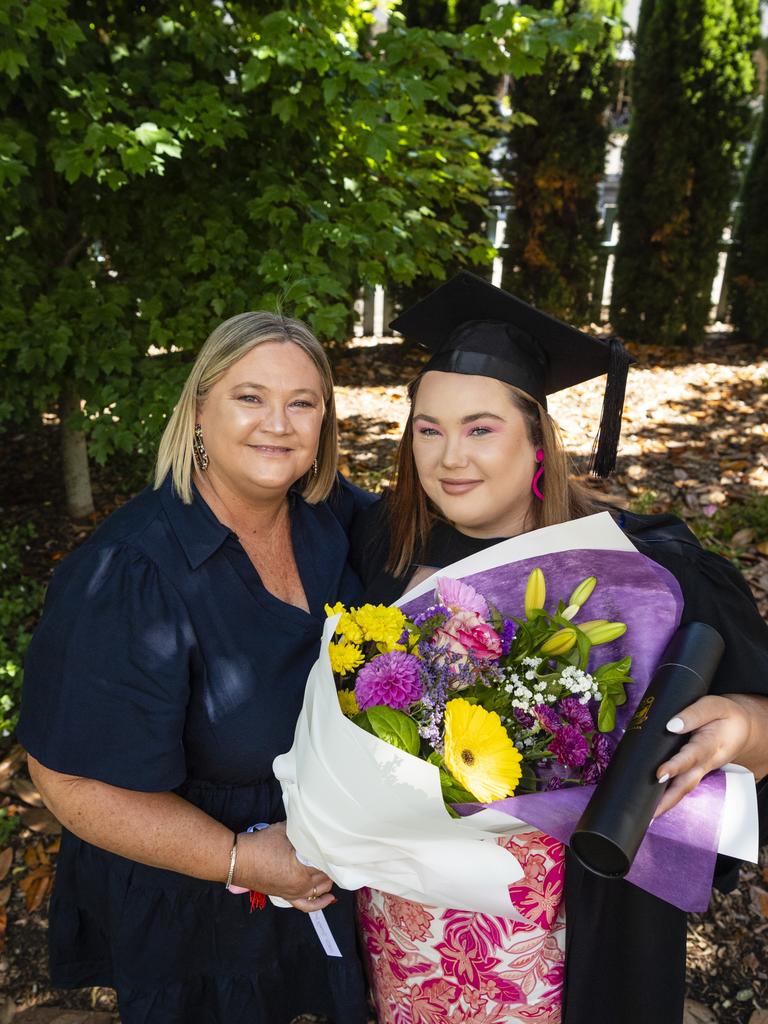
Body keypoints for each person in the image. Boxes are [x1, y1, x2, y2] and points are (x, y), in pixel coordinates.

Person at [349, 271, 768, 1024]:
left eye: (482, 428)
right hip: (410, 927)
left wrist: (741, 720)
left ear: (537, 439)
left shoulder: (648, 571)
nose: (450, 457)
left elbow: (759, 733)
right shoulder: (378, 552)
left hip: (583, 926)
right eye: (428, 428)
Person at [18, 312, 372, 1024]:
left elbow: (463, 536)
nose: (279, 422)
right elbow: (65, 778)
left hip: (318, 867)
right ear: (200, 409)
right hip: (198, 889)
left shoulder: (330, 518)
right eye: (250, 396)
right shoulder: (131, 571)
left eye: (302, 402)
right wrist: (243, 860)